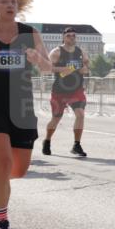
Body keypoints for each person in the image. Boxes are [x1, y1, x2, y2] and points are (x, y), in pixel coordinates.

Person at [0, 0, 53, 229]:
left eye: (13, 1)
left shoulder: (29, 34)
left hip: (21, 105)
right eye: (4, 2)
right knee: (4, 162)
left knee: (18, 170)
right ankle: (1, 223)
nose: (10, 5)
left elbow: (47, 68)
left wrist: (37, 59)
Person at [42, 27, 90, 157]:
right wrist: (66, 69)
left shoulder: (81, 52)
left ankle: (76, 145)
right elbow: (47, 68)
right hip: (60, 91)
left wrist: (83, 69)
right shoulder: (57, 52)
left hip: (76, 90)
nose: (72, 37)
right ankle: (47, 140)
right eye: (69, 35)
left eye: (74, 35)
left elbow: (87, 67)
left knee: (80, 114)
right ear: (63, 37)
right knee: (56, 119)